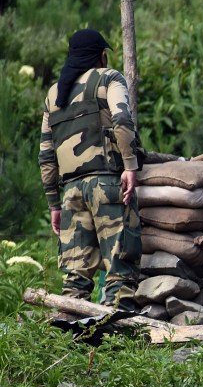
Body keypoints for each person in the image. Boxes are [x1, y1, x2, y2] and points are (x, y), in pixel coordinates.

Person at [38, 28, 144, 312]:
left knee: (75, 277)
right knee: (120, 270)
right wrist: (130, 166)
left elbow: (46, 156)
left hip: (71, 192)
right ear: (101, 55)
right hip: (107, 184)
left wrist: (53, 205)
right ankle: (115, 338)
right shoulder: (109, 77)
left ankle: (70, 338)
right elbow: (122, 119)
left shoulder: (53, 95)